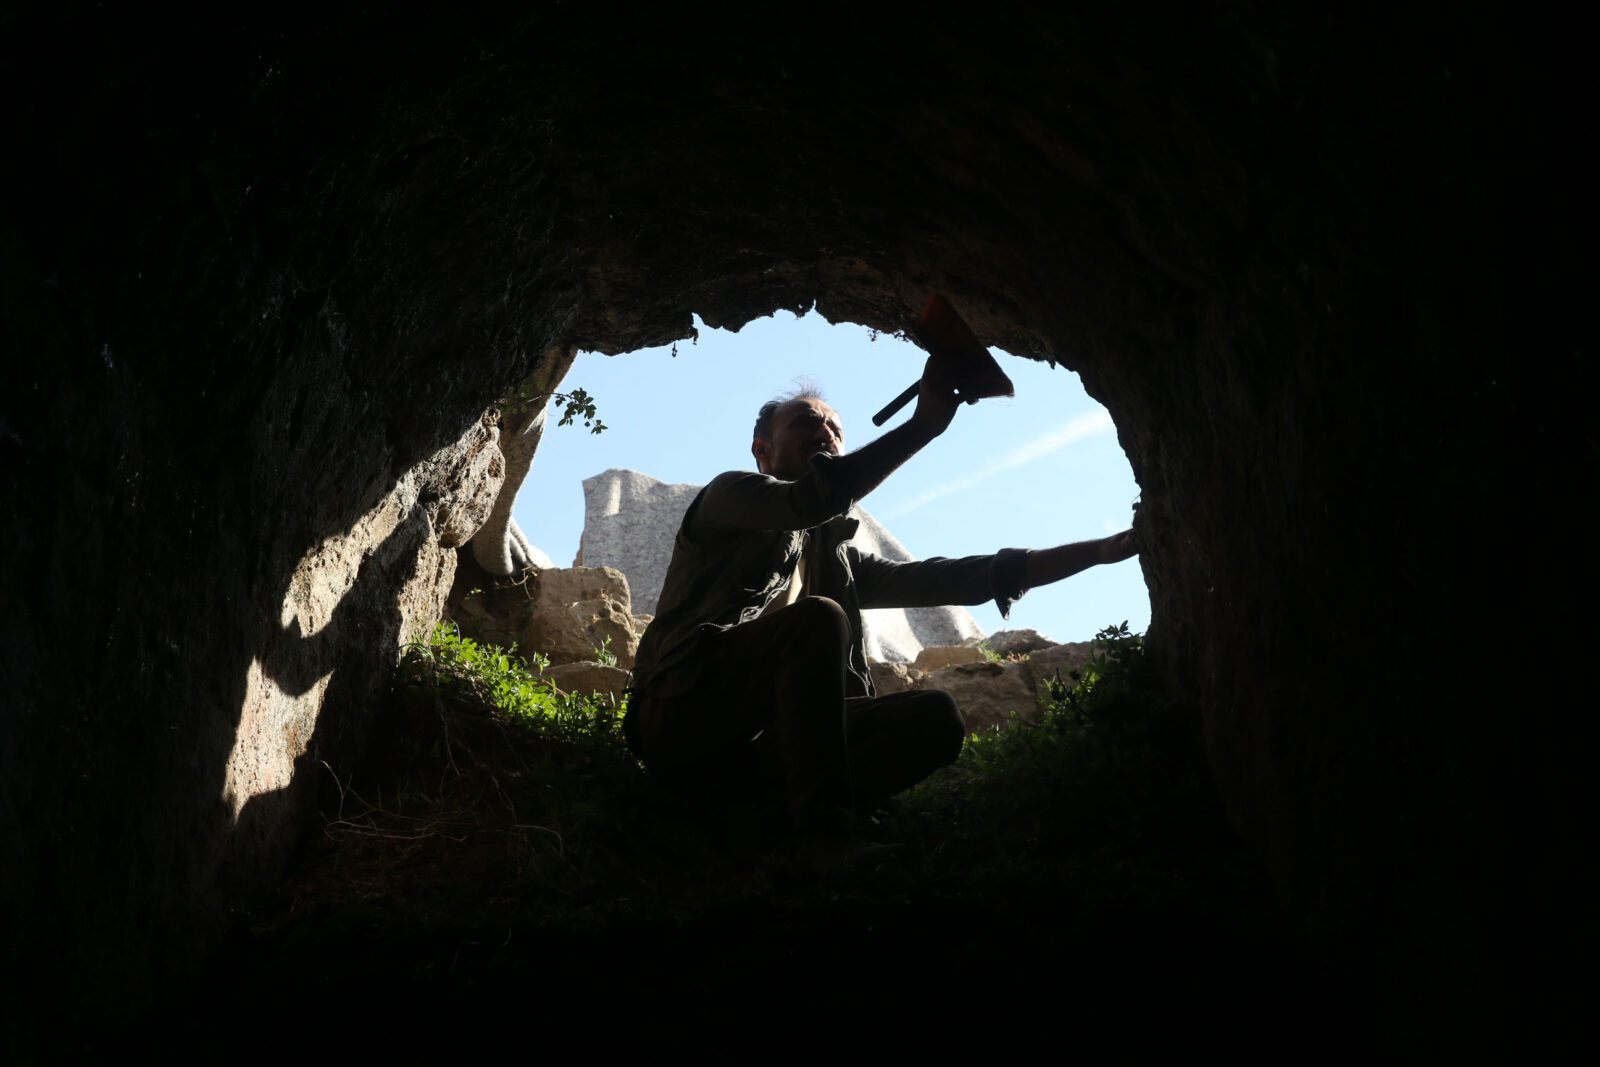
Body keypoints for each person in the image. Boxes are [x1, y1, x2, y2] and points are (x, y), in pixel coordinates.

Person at [624, 353, 1138, 835]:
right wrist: (924, 425)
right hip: (681, 715)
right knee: (818, 618)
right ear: (762, 450)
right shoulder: (727, 496)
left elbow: (954, 577)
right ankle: (825, 839)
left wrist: (1101, 550)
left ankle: (748, 813)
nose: (824, 431)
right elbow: (815, 497)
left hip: (765, 749)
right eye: (806, 422)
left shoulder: (831, 557)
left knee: (935, 717)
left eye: (834, 429)